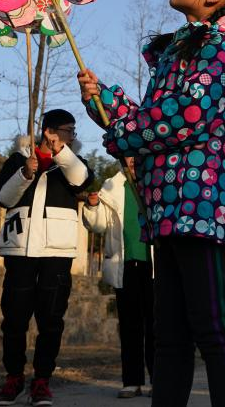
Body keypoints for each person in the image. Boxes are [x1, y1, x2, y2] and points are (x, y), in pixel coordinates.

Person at [77, 0, 225, 407]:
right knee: (171, 335)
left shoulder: (224, 48)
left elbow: (185, 116)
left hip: (203, 204)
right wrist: (103, 99)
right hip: (169, 207)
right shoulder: (187, 50)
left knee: (214, 329)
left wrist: (122, 133)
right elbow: (152, 120)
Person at [0, 110, 93, 406]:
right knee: (14, 318)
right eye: (68, 130)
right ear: (50, 130)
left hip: (56, 251)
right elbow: (3, 198)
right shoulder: (18, 159)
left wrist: (61, 153)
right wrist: (25, 174)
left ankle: (42, 380)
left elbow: (82, 181)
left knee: (51, 320)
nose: (72, 135)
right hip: (20, 248)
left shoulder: (72, 162)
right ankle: (13, 378)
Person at [82, 162, 155, 398]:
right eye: (128, 158)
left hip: (155, 265)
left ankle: (157, 379)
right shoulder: (112, 187)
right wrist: (92, 206)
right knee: (129, 325)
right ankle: (131, 381)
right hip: (125, 264)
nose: (133, 162)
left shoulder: (156, 182)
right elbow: (99, 225)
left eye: (137, 157)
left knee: (155, 326)